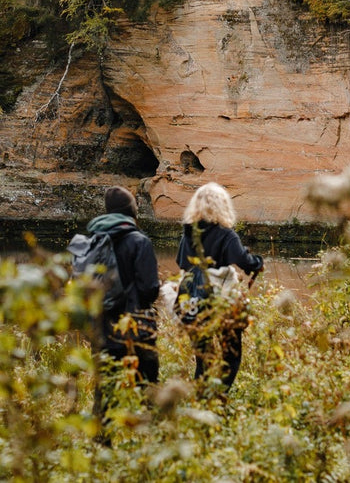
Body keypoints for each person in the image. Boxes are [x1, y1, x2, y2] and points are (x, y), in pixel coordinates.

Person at [87, 186, 160, 437]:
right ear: (131, 211)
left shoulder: (92, 242)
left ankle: (101, 447)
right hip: (136, 330)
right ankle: (150, 444)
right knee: (148, 390)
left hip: (102, 331)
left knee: (105, 393)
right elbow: (150, 288)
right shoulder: (139, 241)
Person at [176, 182, 263, 391]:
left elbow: (182, 264)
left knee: (203, 358)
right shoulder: (226, 234)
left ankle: (201, 399)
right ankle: (219, 397)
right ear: (223, 205)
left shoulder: (188, 234)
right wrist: (257, 262)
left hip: (193, 303)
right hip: (221, 301)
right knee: (231, 355)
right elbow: (244, 261)